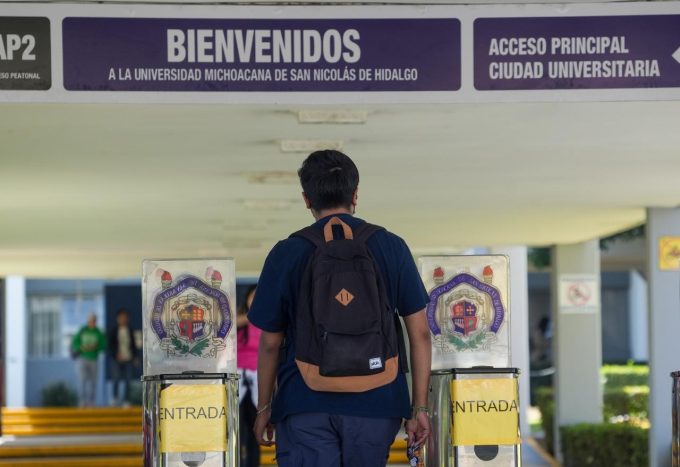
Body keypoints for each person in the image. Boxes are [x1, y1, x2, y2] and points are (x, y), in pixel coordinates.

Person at [248, 149, 432, 467]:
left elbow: (270, 343)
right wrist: (419, 408)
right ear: (355, 194)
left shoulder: (286, 252)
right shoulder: (391, 246)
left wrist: (264, 407)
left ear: (306, 199)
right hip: (378, 400)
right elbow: (421, 334)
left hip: (305, 401)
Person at [237, 285, 261, 467]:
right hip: (237, 379)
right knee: (236, 430)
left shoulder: (267, 322)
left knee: (254, 430)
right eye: (253, 296)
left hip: (257, 379)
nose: (255, 300)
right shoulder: (239, 319)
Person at [71, 313, 107, 407]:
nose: (92, 322)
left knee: (93, 382)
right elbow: (75, 342)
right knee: (82, 380)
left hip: (94, 359)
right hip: (82, 358)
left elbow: (103, 345)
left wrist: (95, 347)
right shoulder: (83, 330)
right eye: (91, 320)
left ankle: (91, 402)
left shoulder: (98, 332)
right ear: (88, 321)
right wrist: (82, 347)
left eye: (94, 320)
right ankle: (82, 401)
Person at [108, 308, 140, 407]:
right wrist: (116, 354)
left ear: (128, 319)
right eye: (121, 317)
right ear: (117, 319)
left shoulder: (130, 330)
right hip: (116, 359)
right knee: (116, 378)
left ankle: (126, 400)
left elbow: (134, 345)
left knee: (128, 380)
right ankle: (115, 398)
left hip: (128, 358)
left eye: (125, 317)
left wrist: (135, 357)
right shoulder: (113, 331)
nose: (123, 319)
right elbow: (110, 346)